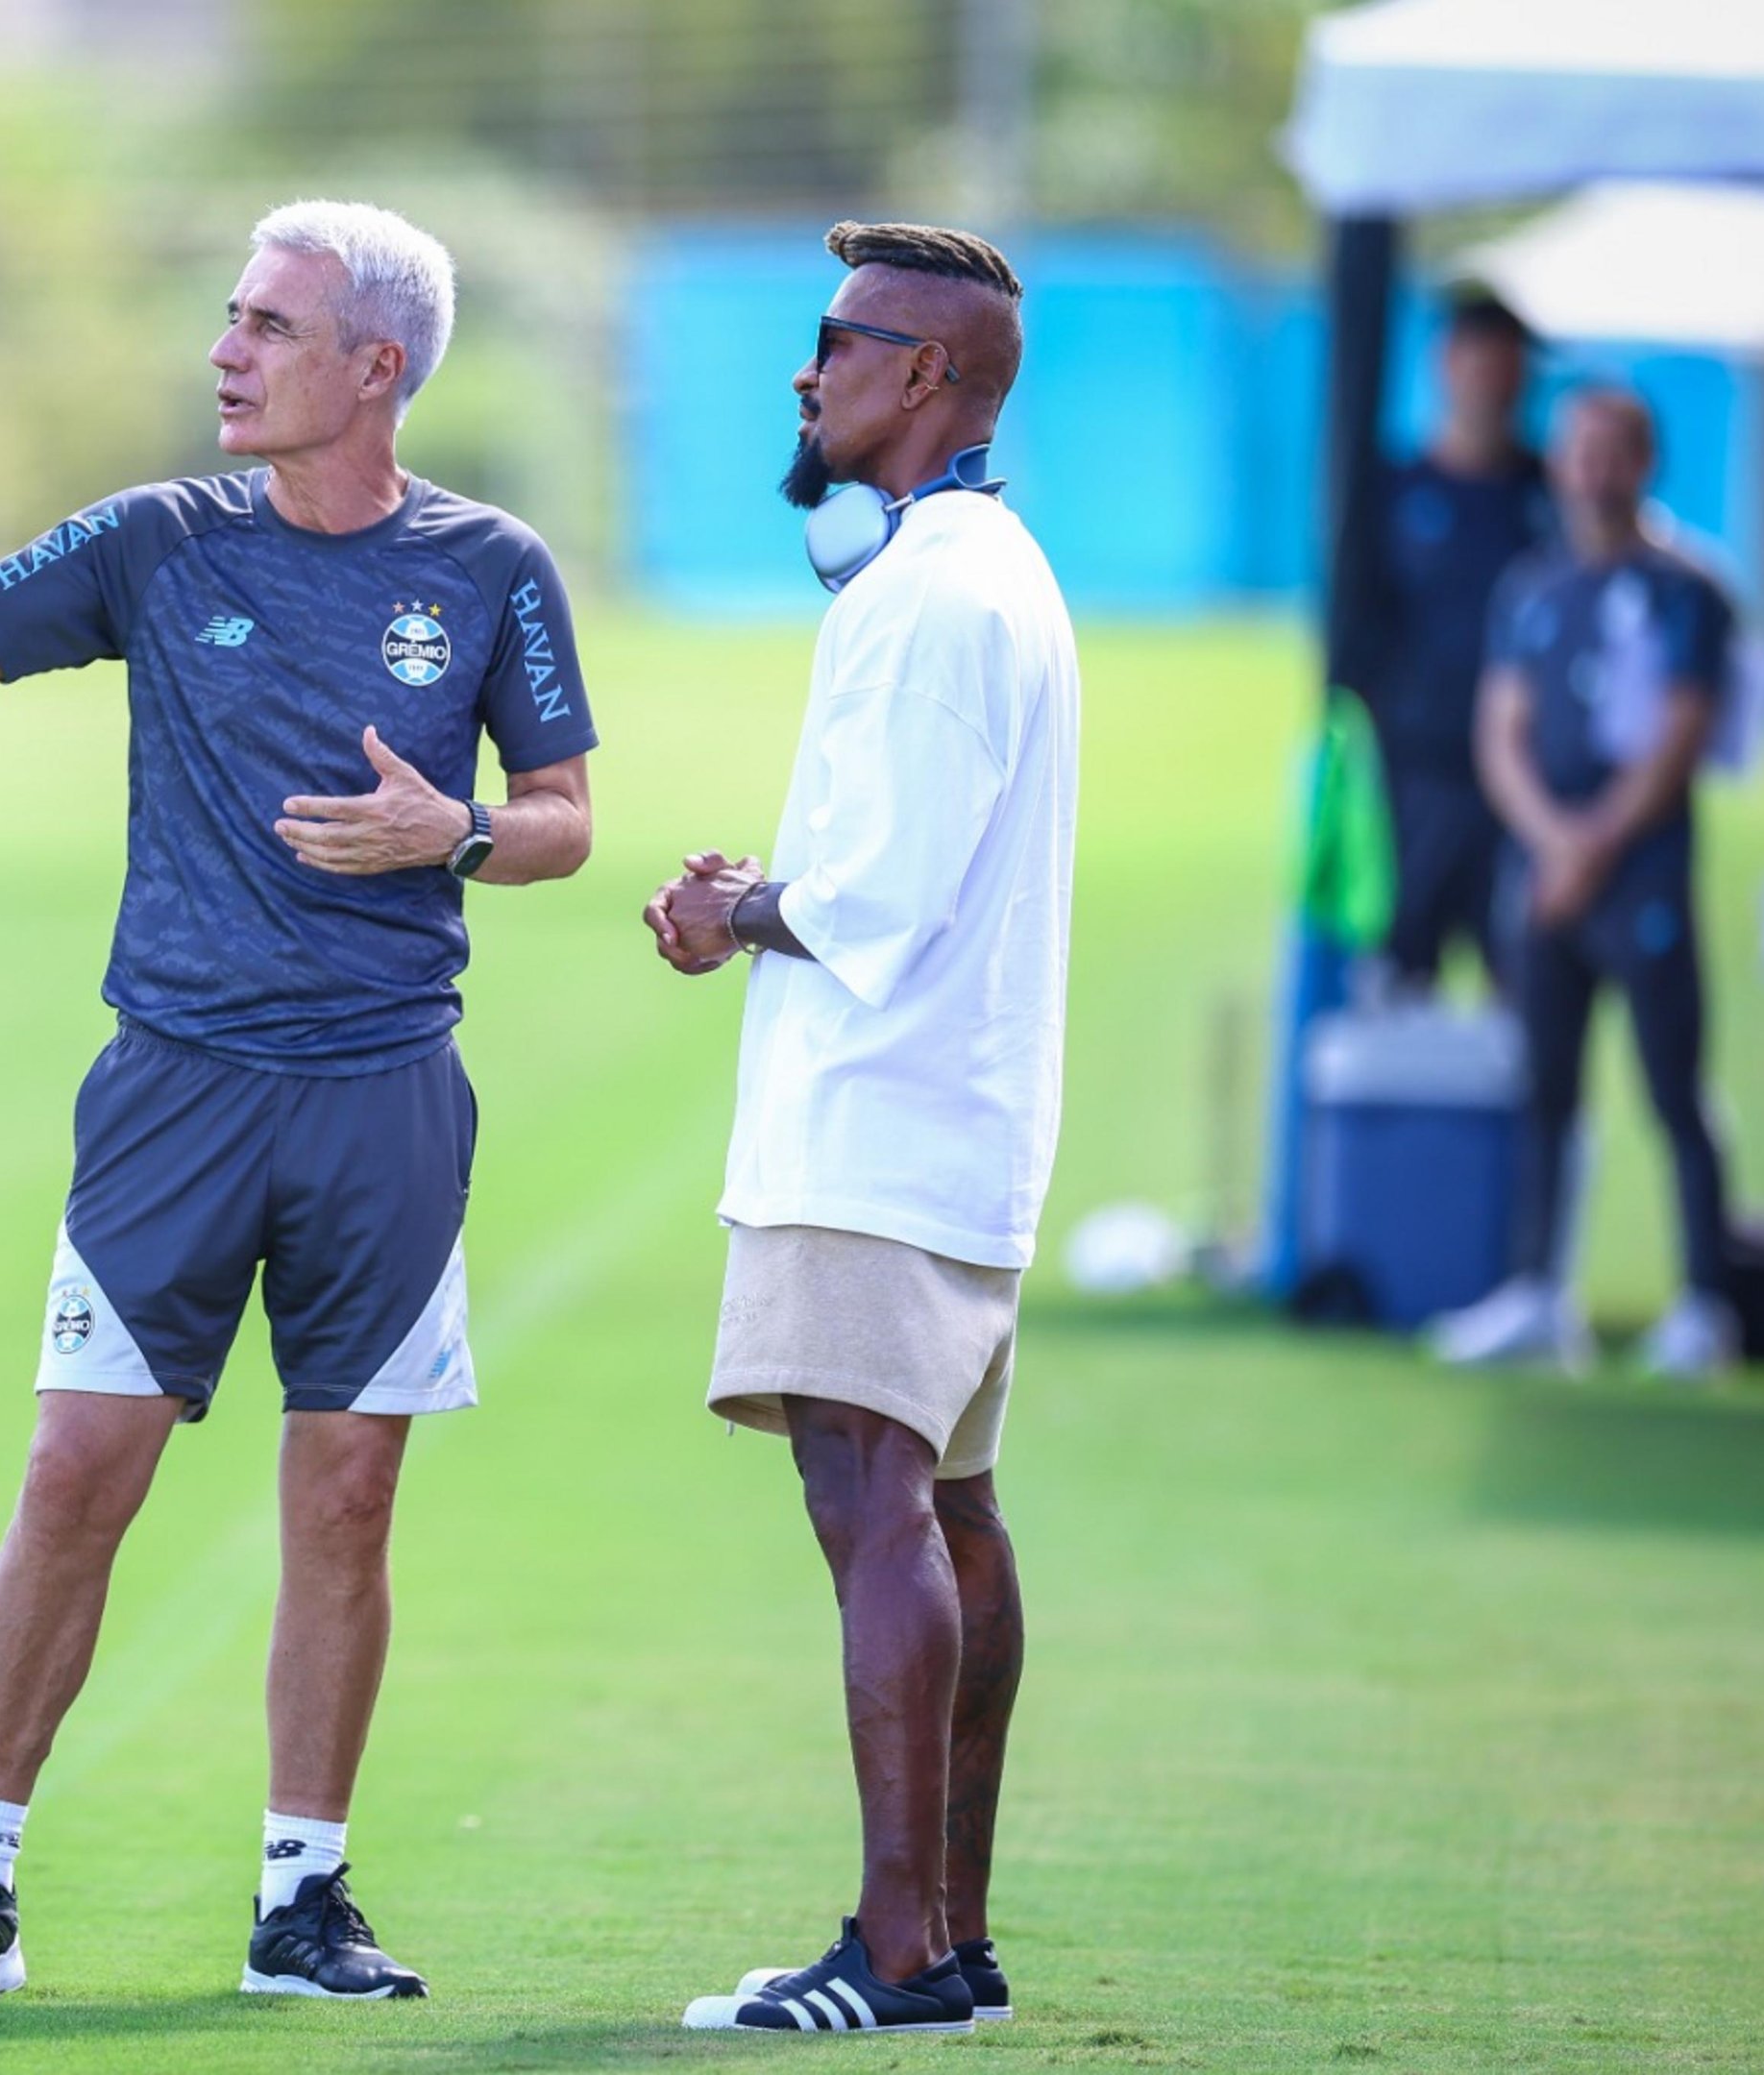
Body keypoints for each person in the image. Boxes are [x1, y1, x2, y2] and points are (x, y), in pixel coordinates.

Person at [0, 199, 598, 2001]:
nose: (224, 352)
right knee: (76, 1472)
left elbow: (560, 815)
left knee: (343, 1499)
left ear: (374, 368)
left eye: (268, 326)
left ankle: (300, 1903)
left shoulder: (491, 569)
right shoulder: (159, 539)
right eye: (227, 317)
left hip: (383, 1097)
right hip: (173, 1091)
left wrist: (450, 830)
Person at [643, 220, 1077, 2038]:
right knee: (950, 1511)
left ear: (924, 377)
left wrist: (726, 907)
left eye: (836, 343)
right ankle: (949, 1943)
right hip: (957, 1131)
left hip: (876, 1131)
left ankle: (892, 1951)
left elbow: (872, 895)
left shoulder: (922, 596)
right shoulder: (984, 571)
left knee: (868, 1498)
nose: (805, 373)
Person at [1428, 384, 1740, 1379]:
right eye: (1580, 452)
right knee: (1545, 1089)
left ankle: (1705, 1300)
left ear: (1645, 463)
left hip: (1639, 873)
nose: (1594, 472)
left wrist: (1593, 844)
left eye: (1615, 452)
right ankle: (1535, 1291)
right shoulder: (1533, 587)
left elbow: (1682, 733)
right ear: (1558, 465)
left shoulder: (1687, 587)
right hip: (1547, 876)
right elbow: (1501, 730)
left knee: (1673, 1087)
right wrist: (1552, 841)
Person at [1345, 291, 1552, 989]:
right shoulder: (1392, 492)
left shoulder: (1548, 493)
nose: (1495, 381)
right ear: (1446, 366)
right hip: (1416, 779)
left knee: (1527, 985)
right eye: (1482, 362)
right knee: (1400, 981)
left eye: (1510, 366)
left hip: (1528, 786)